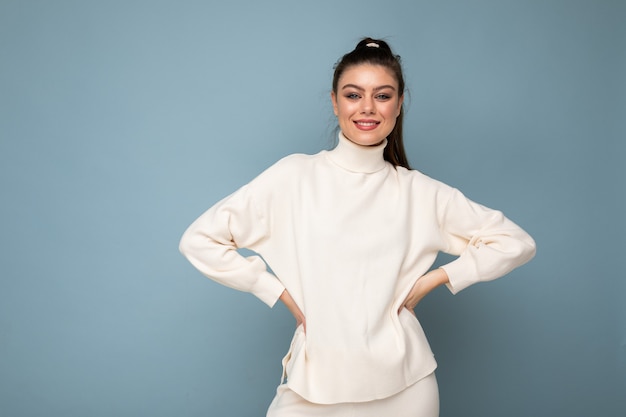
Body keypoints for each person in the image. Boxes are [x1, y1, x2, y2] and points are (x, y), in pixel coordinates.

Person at [179, 37, 536, 417]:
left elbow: (516, 242)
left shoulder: (421, 193)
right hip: (313, 382)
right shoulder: (293, 177)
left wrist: (436, 279)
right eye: (353, 95)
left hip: (406, 388)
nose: (367, 108)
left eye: (382, 96)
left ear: (399, 105)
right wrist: (272, 289)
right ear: (335, 102)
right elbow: (200, 240)